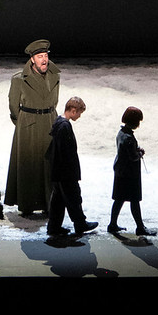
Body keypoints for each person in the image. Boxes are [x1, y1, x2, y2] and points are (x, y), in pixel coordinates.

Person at [6, 38, 60, 217]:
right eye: (40, 57)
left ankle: (48, 203)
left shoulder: (55, 75)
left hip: (49, 121)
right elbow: (14, 106)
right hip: (28, 124)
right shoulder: (19, 80)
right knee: (28, 165)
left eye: (45, 56)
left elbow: (55, 100)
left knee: (48, 164)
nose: (44, 60)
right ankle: (27, 203)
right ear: (32, 60)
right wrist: (22, 123)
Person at [46, 96, 98, 237]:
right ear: (73, 111)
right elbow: (66, 152)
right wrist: (71, 172)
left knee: (58, 200)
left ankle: (54, 227)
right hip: (65, 171)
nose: (80, 116)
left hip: (58, 170)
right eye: (79, 113)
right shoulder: (65, 126)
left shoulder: (59, 122)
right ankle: (80, 224)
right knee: (73, 197)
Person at [109, 106, 151, 235]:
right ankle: (140, 227)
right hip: (129, 174)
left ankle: (112, 224)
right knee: (134, 200)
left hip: (120, 171)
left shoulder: (121, 133)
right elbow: (132, 157)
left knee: (119, 199)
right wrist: (140, 153)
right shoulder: (128, 138)